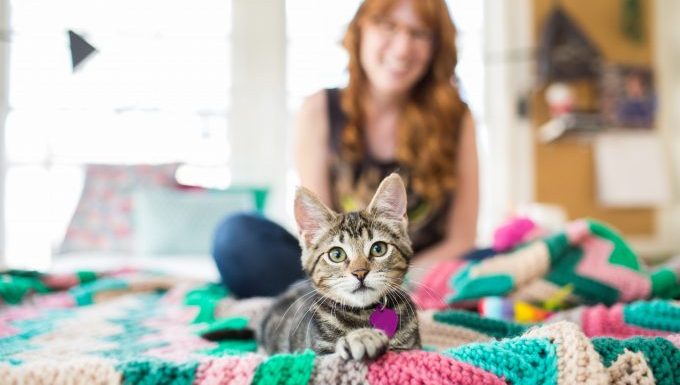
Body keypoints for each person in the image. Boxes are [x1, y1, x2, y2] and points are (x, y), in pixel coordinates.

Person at [212, 0, 478, 298]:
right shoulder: (319, 110)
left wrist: (395, 282)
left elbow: (463, 238)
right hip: (340, 274)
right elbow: (319, 233)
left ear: (436, 48)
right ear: (360, 30)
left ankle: (312, 309)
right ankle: (343, 309)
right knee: (237, 237)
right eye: (389, 26)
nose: (403, 48)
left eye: (420, 34)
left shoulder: (458, 118)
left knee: (501, 260)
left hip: (420, 271)